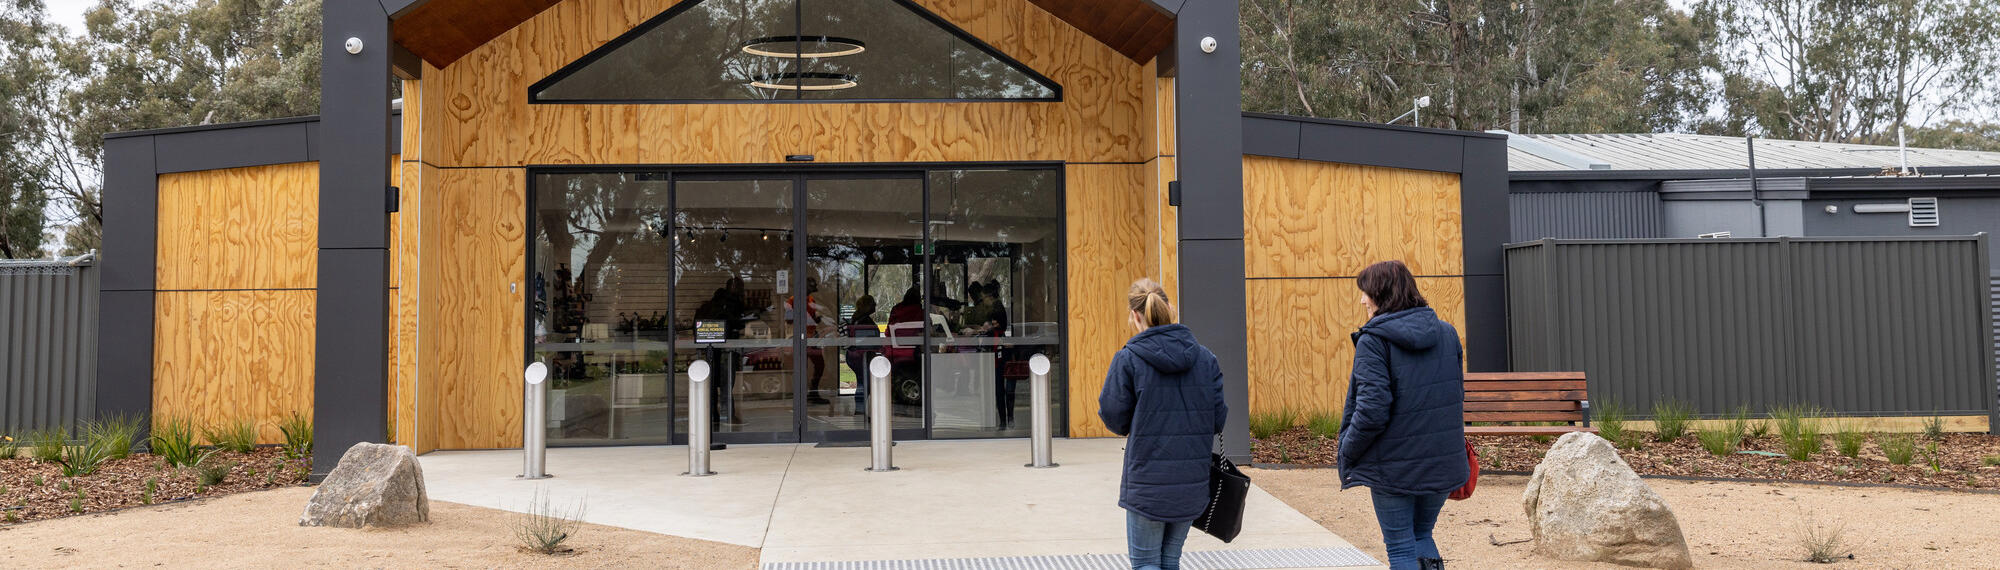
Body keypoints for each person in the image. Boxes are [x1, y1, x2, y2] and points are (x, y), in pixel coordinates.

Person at [1338, 260, 1468, 570]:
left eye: (1366, 293)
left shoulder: (1374, 340)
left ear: (1381, 294)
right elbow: (1454, 395)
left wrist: (1348, 449)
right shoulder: (1447, 333)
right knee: (1422, 534)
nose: (1362, 300)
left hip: (1394, 467)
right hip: (1441, 460)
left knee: (1399, 548)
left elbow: (1371, 411)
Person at [1098, 278, 1226, 570]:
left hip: (1146, 482)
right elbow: (1218, 418)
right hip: (1191, 482)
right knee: (1170, 561)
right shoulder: (1205, 359)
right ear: (1171, 308)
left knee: (1145, 564)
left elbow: (1113, 416)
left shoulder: (1128, 359)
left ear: (1135, 316)